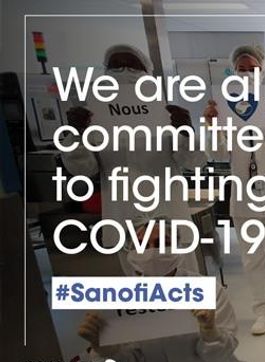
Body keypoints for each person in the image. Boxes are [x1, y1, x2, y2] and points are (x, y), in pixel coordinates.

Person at [60, 44, 206, 275]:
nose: (124, 72)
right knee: (139, 286)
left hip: (168, 212)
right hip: (125, 217)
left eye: (131, 66)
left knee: (185, 281)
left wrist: (186, 132)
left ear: (146, 72)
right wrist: (76, 134)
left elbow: (194, 162)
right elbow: (83, 170)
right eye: (116, 67)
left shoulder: (166, 115)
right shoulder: (95, 119)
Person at [77, 219, 248, 362]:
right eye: (142, 245)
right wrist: (104, 349)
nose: (151, 252)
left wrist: (211, 332)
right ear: (130, 251)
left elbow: (219, 357)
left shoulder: (208, 290)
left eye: (161, 243)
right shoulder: (122, 300)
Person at [204, 45, 265, 335]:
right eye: (241, 69)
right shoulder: (224, 106)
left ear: (263, 70)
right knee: (252, 258)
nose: (247, 73)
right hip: (243, 195)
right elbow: (218, 154)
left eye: (252, 68)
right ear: (233, 72)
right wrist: (211, 126)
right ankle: (263, 311)